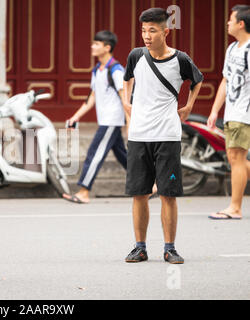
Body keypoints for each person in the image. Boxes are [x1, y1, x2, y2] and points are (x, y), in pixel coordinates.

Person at [123, 8, 203, 264]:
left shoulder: (180, 59)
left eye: (152, 30)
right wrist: (127, 101)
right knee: (139, 193)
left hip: (167, 134)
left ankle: (170, 248)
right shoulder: (136, 56)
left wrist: (189, 105)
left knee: (168, 193)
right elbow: (127, 79)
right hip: (138, 135)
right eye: (144, 30)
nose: (146, 36)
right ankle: (139, 247)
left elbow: (197, 80)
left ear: (165, 31)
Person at [62, 30, 129, 204]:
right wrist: (75, 117)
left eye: (96, 44)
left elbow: (125, 98)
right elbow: (91, 97)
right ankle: (150, 184)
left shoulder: (116, 70)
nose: (92, 47)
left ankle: (84, 191)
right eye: (93, 43)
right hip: (106, 120)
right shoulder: (97, 70)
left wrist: (130, 123)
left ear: (107, 48)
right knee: (123, 156)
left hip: (112, 121)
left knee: (94, 154)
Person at [207, 5, 250, 220]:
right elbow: (225, 80)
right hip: (232, 111)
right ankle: (235, 205)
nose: (227, 23)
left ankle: (235, 207)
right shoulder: (232, 48)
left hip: (245, 113)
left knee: (236, 157)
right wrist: (215, 110)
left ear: (241, 24)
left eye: (230, 20)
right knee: (235, 160)